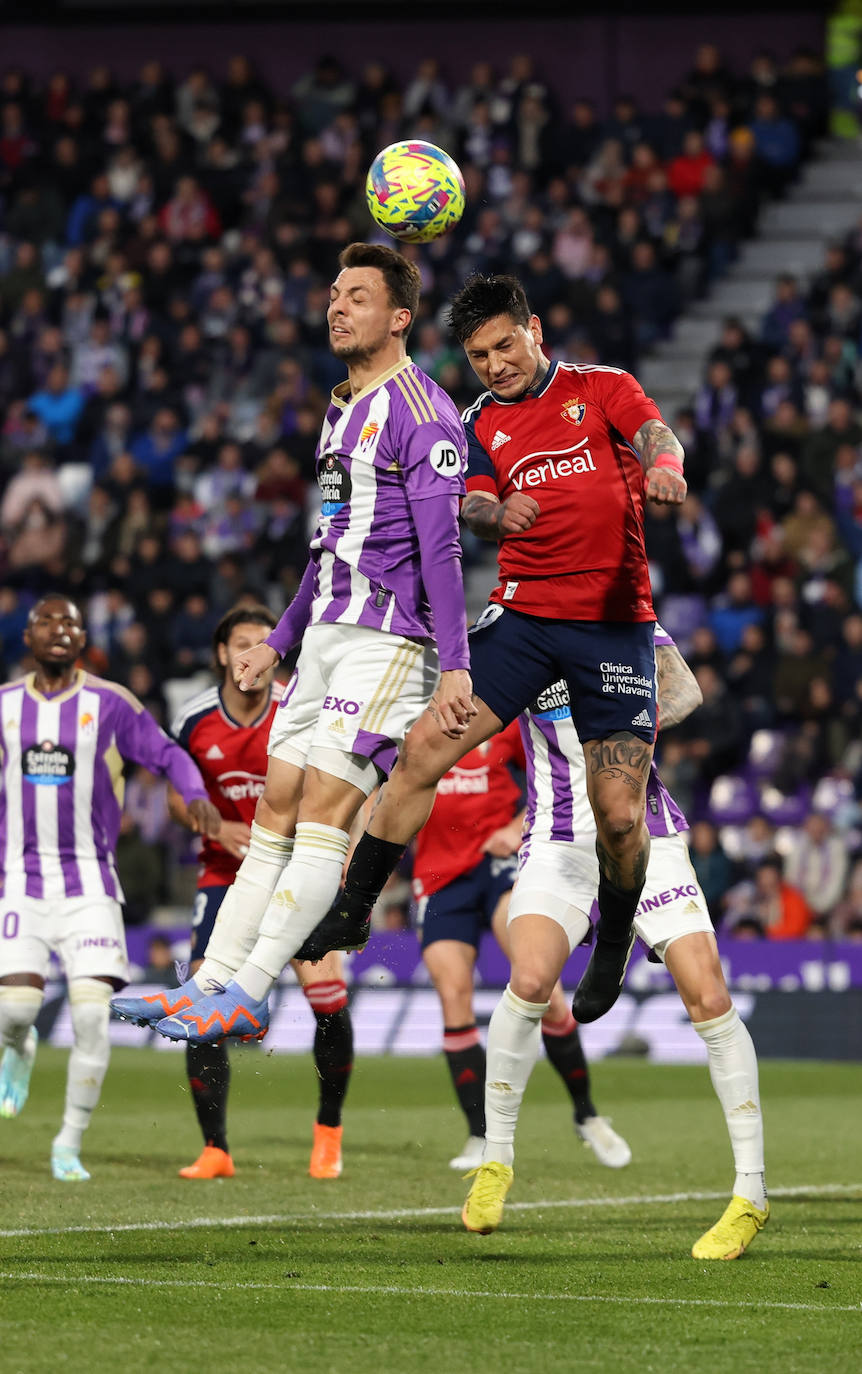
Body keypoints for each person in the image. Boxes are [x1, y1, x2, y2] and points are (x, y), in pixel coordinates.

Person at [296, 271, 688, 1027]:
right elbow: (470, 500)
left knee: (617, 815)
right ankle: (354, 909)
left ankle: (610, 943)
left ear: (532, 329)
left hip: (612, 624)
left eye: (505, 345)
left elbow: (654, 433)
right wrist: (493, 513)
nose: (496, 364)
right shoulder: (476, 421)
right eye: (479, 356)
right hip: (523, 621)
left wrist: (665, 467)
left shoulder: (600, 387)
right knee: (421, 751)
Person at [110, 241, 472, 1046]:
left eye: (358, 297)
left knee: (321, 814)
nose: (337, 306)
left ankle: (250, 985)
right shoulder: (341, 408)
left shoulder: (425, 414)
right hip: (324, 644)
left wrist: (454, 665)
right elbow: (329, 538)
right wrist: (280, 639)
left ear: (400, 317)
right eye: (334, 294)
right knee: (275, 808)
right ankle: (205, 982)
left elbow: (444, 549)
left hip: (388, 643)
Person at [461, 628, 770, 1263]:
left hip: (647, 832)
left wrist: (626, 713)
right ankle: (495, 1161)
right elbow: (466, 697)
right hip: (558, 839)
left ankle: (750, 1195)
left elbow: (684, 691)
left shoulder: (630, 618)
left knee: (708, 997)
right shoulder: (513, 621)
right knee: (529, 983)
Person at [115, 604, 354, 1180]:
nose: (256, 655)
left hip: (296, 868)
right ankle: (216, 1148)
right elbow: (178, 793)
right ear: (224, 654)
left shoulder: (302, 706)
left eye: (266, 644)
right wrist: (217, 826)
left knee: (325, 991)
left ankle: (328, 1130)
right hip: (224, 873)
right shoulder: (197, 717)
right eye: (244, 643)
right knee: (200, 993)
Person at [0, 595, 219, 1181]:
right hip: (19, 881)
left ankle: (67, 1143)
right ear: (28, 637)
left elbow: (168, 754)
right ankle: (16, 1046)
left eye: (71, 622)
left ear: (83, 638)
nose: (60, 630)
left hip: (90, 884)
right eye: (48, 621)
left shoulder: (109, 703)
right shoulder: (4, 707)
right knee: (15, 1008)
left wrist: (193, 790)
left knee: (93, 1018)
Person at [413, 719, 630, 1172]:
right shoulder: (411, 715)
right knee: (453, 996)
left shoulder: (499, 712)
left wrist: (517, 825)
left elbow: (552, 769)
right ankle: (479, 1134)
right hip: (438, 876)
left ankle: (587, 1114)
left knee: (542, 986)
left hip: (500, 863)